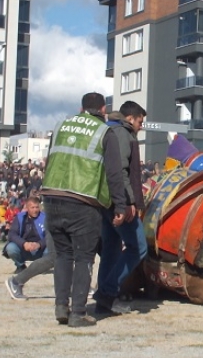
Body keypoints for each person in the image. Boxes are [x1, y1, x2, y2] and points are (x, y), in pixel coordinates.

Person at [40, 92, 127, 328]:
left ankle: (61, 306)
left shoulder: (61, 126)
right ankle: (78, 313)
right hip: (83, 200)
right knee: (84, 257)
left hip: (52, 196)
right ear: (103, 109)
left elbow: (50, 160)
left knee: (63, 255)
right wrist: (120, 205)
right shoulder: (104, 132)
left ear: (81, 108)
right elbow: (114, 173)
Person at [95, 101, 148, 313]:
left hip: (105, 200)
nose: (141, 126)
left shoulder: (108, 130)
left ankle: (104, 301)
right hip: (119, 200)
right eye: (140, 121)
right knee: (138, 247)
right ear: (130, 119)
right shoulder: (123, 134)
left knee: (110, 248)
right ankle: (107, 291)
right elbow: (122, 171)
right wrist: (129, 202)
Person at [3, 196, 54, 299]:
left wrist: (39, 244)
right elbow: (12, 234)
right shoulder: (20, 217)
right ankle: (21, 266)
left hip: (40, 249)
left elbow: (50, 236)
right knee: (11, 248)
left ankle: (41, 267)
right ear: (27, 207)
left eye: (37, 207)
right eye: (32, 207)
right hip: (24, 249)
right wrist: (24, 244)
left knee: (52, 250)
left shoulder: (45, 218)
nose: (35, 210)